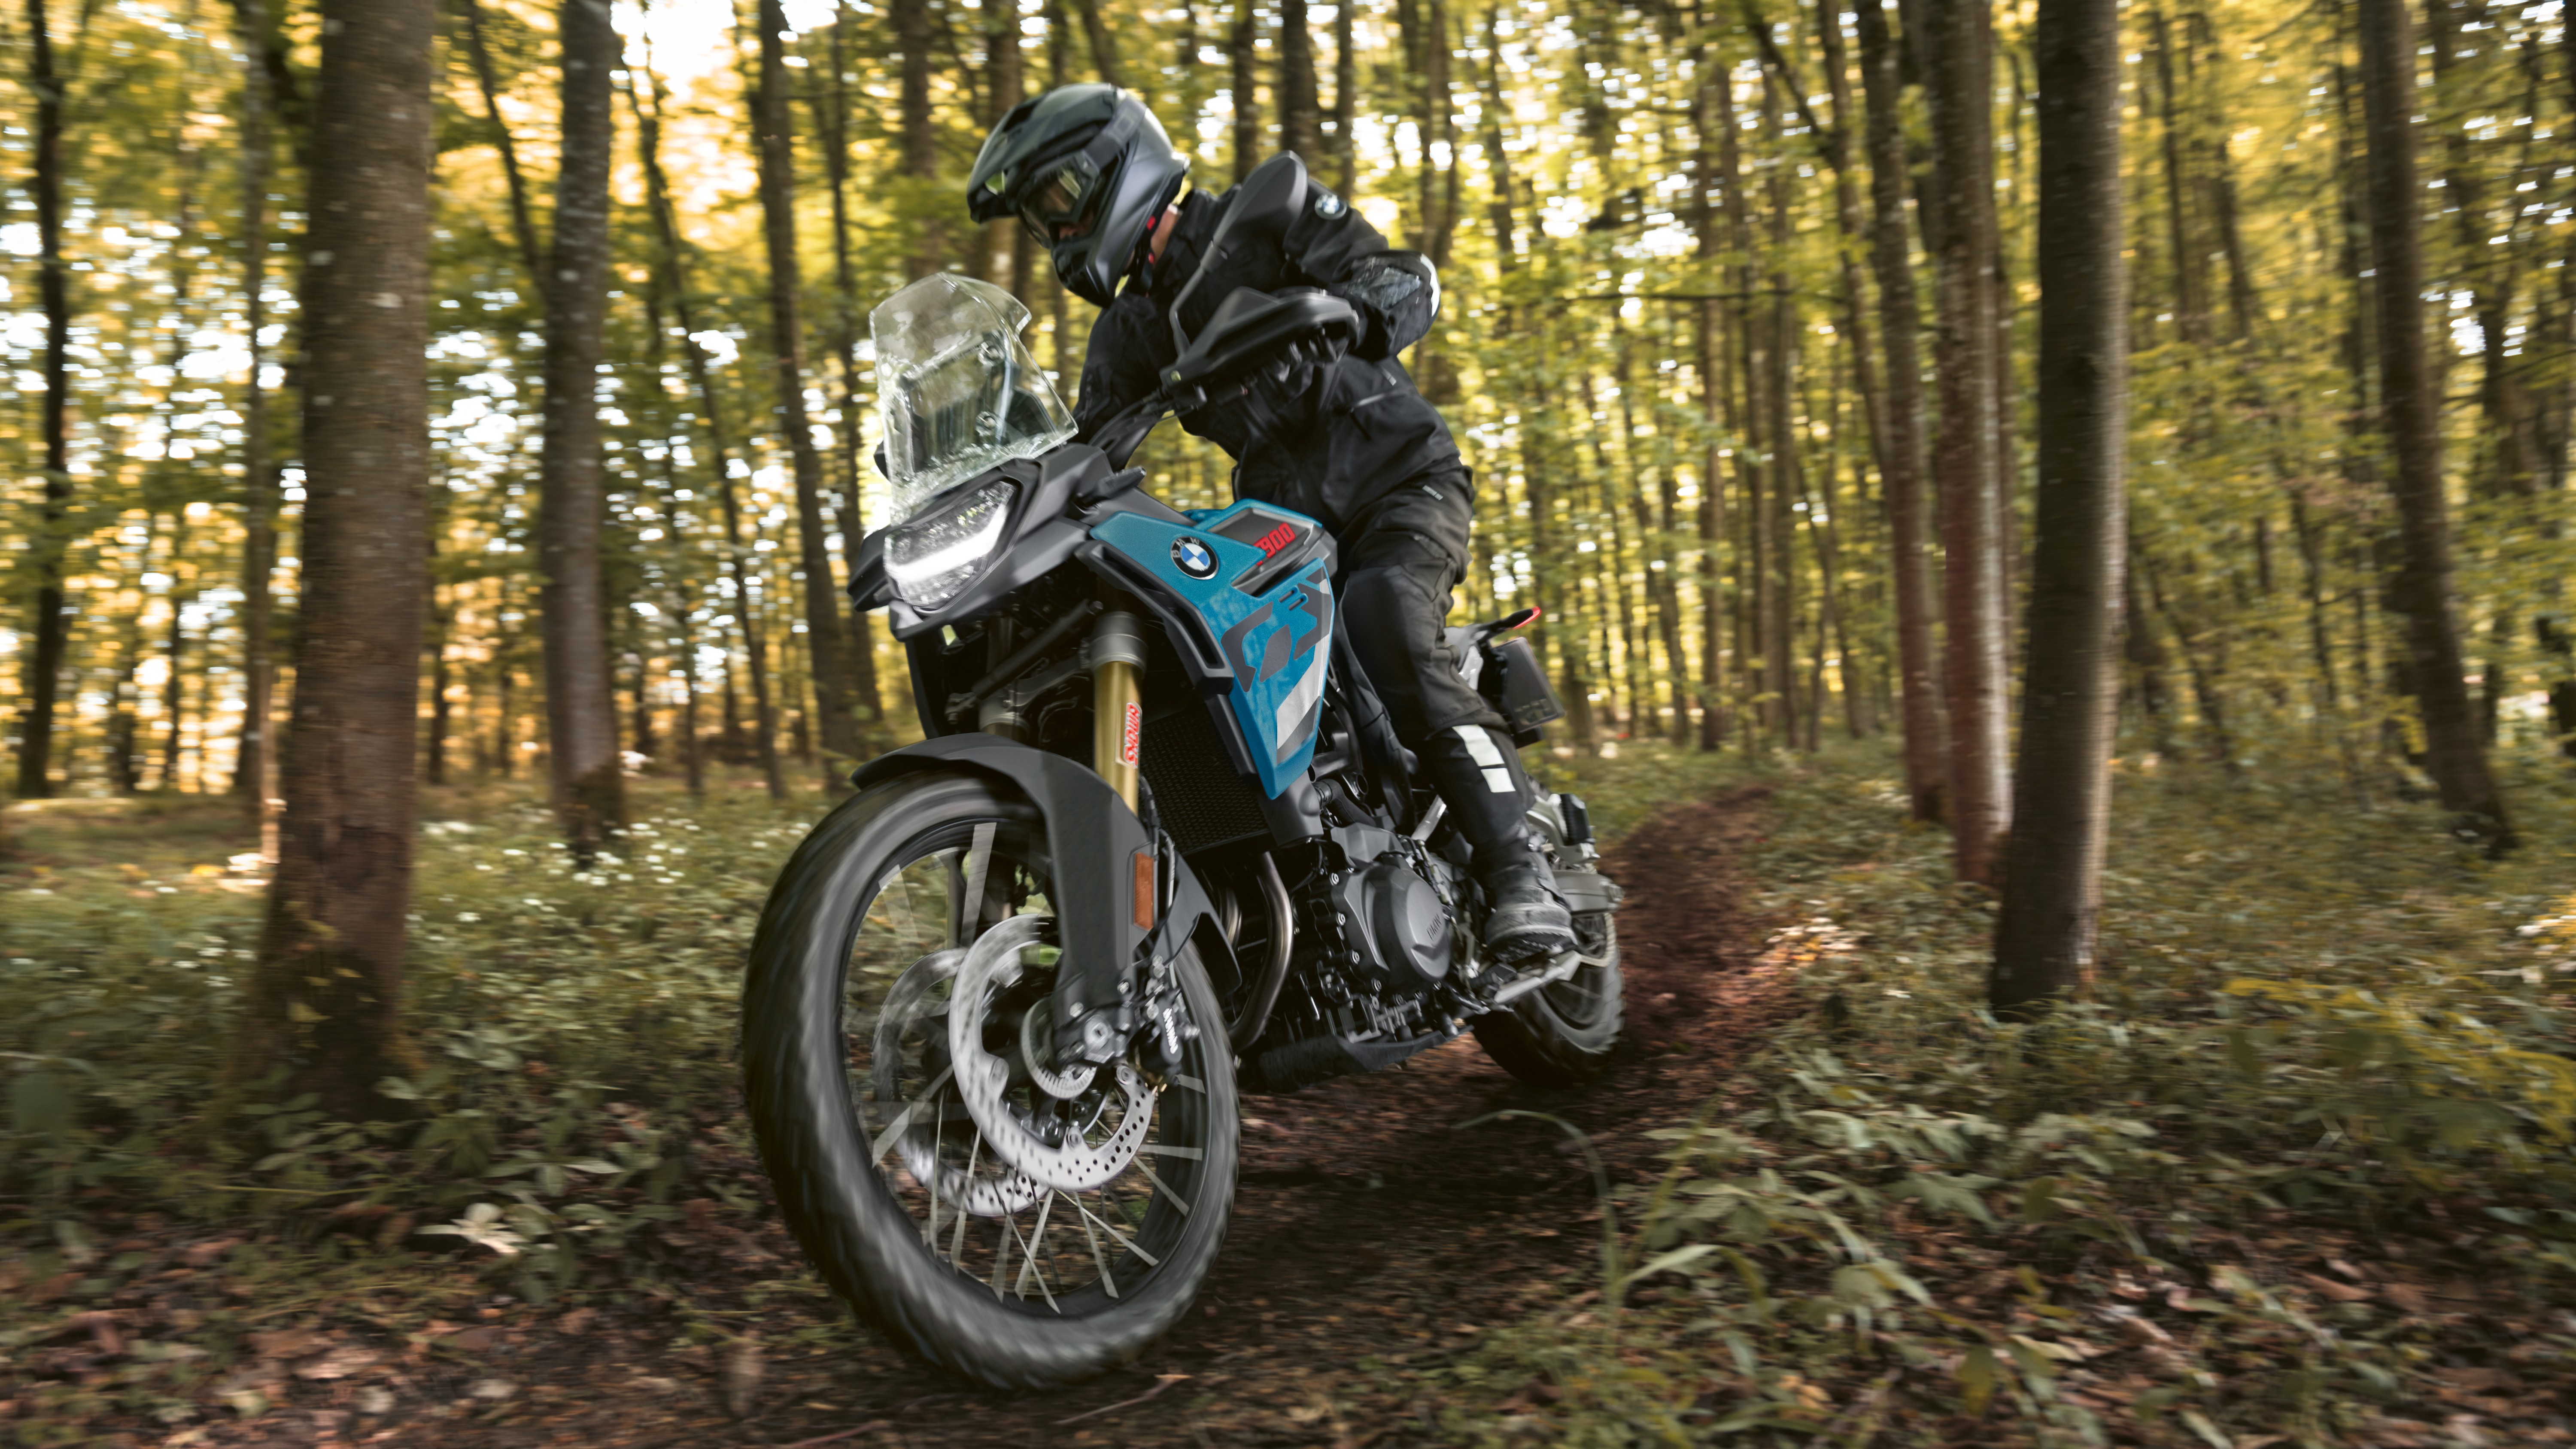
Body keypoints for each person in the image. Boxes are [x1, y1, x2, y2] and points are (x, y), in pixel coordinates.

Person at [964, 84, 1573, 966]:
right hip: (1284, 531)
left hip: (1400, 482)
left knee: (1384, 613)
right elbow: (1082, 453)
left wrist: (1350, 310)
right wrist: (985, 467)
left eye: (1060, 199)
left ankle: (1522, 871)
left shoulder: (1266, 214)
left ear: (1118, 164)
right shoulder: (1128, 334)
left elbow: (1405, 279)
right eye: (1038, 220)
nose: (1057, 230)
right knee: (1210, 674)